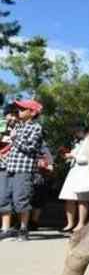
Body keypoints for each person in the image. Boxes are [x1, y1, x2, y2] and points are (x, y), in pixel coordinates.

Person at [0, 99, 44, 241]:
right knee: (5, 198)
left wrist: (15, 139)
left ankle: (24, 229)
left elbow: (31, 148)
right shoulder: (17, 126)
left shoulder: (36, 127)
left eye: (22, 108)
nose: (18, 111)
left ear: (32, 113)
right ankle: (6, 229)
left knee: (21, 199)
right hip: (9, 167)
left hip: (23, 169)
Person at [58, 126, 89, 232]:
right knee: (69, 197)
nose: (75, 133)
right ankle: (70, 223)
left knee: (82, 198)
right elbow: (75, 155)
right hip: (74, 171)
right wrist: (68, 156)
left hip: (84, 171)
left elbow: (88, 158)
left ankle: (81, 223)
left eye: (77, 131)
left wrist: (73, 156)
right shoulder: (77, 143)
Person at [29, 141, 54, 231]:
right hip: (28, 174)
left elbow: (50, 165)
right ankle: (27, 222)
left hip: (38, 175)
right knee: (29, 199)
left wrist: (46, 164)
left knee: (37, 200)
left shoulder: (43, 146)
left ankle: (33, 222)